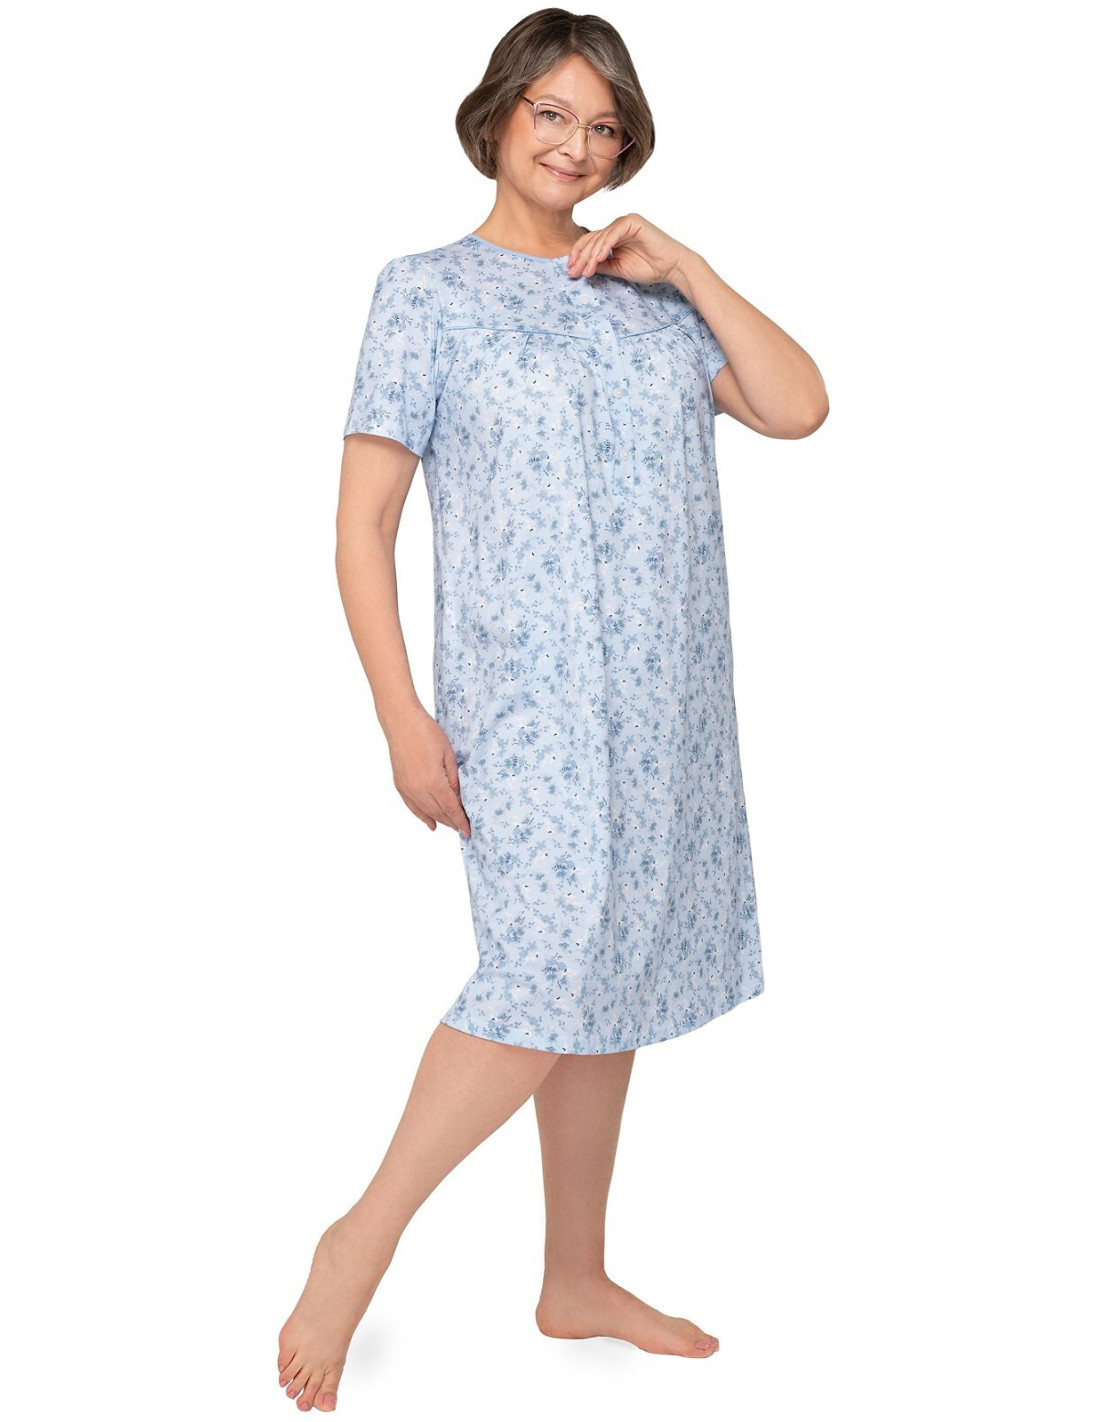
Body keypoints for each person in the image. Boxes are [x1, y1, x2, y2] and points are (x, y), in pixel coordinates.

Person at [278, 8, 827, 1412]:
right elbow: (361, 526)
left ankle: (573, 1274)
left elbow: (799, 406)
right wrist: (400, 716)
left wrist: (684, 263)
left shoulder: (651, 299)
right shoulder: (424, 293)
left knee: (612, 968)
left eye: (604, 126)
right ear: (500, 113)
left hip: (666, 702)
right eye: (554, 114)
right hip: (524, 713)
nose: (578, 145)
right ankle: (361, 1236)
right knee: (545, 967)